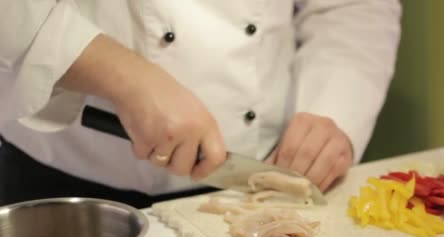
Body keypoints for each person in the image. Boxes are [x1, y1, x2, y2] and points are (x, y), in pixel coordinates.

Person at [0, 1, 401, 209]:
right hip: (67, 183)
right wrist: (120, 74)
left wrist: (334, 107)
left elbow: (351, 5)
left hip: (266, 175)